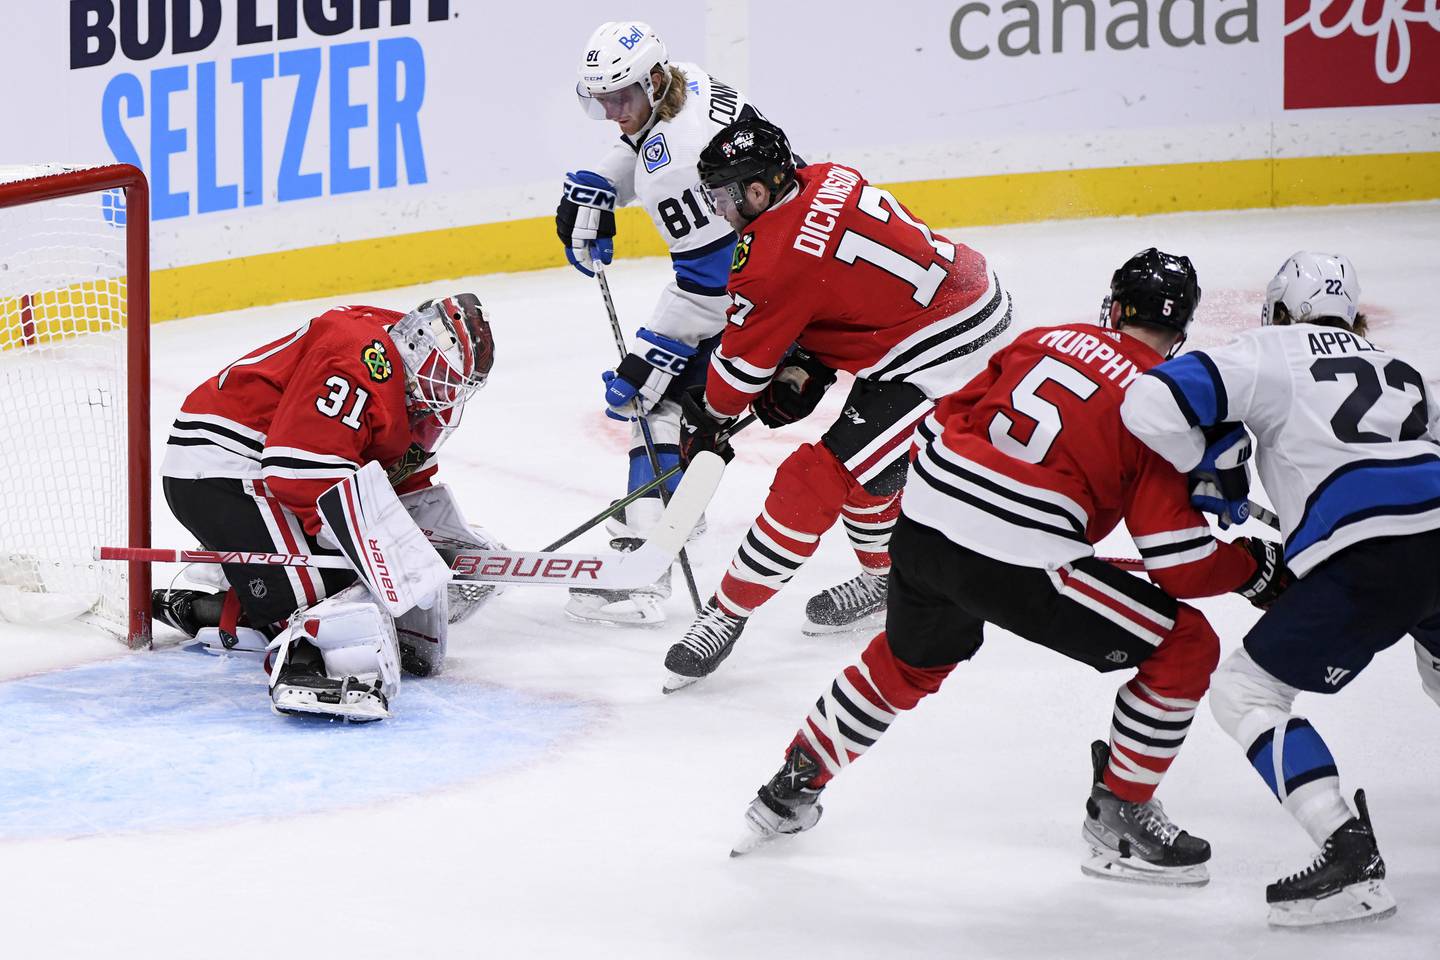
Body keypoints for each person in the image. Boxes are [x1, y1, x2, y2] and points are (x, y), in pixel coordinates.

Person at [728, 249, 1292, 888]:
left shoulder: (1043, 339)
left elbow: (942, 420)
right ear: (1182, 332)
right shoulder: (1163, 403)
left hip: (924, 524)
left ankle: (787, 792)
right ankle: (1119, 817)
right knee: (1186, 644)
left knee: (908, 660)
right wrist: (1254, 568)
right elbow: (1181, 565)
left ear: (1113, 307)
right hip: (1021, 555)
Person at [1122, 251, 1440, 925]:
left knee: (1246, 691)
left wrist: (1202, 460)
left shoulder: (1269, 350)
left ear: (1281, 311)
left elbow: (1147, 400)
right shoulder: (1402, 367)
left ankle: (1347, 853)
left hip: (1369, 549)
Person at [665, 116, 1016, 692]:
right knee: (868, 470)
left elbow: (739, 374)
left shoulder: (771, 259)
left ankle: (725, 615)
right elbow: (848, 289)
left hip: (948, 359)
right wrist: (812, 363)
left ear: (758, 190)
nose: (720, 209)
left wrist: (708, 417)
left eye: (725, 195)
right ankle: (886, 580)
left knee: (816, 475)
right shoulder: (830, 176)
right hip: (967, 312)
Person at [153, 295, 500, 722]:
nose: (440, 395)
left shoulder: (405, 361)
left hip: (271, 469)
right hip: (222, 469)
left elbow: (394, 470)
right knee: (333, 599)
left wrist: (421, 540)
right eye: (439, 378)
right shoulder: (357, 357)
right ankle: (302, 669)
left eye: (452, 384)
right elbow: (296, 470)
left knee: (353, 578)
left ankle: (218, 607)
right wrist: (375, 552)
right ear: (418, 345)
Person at [555, 21, 771, 626]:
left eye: (622, 98)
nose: (613, 114)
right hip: (787, 259)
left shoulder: (673, 167)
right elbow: (642, 141)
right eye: (603, 101)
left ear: (653, 80)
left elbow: (712, 276)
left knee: (653, 396)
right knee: (684, 396)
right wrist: (601, 181)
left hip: (759, 288)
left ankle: (641, 565)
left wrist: (663, 345)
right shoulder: (690, 82)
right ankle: (673, 509)